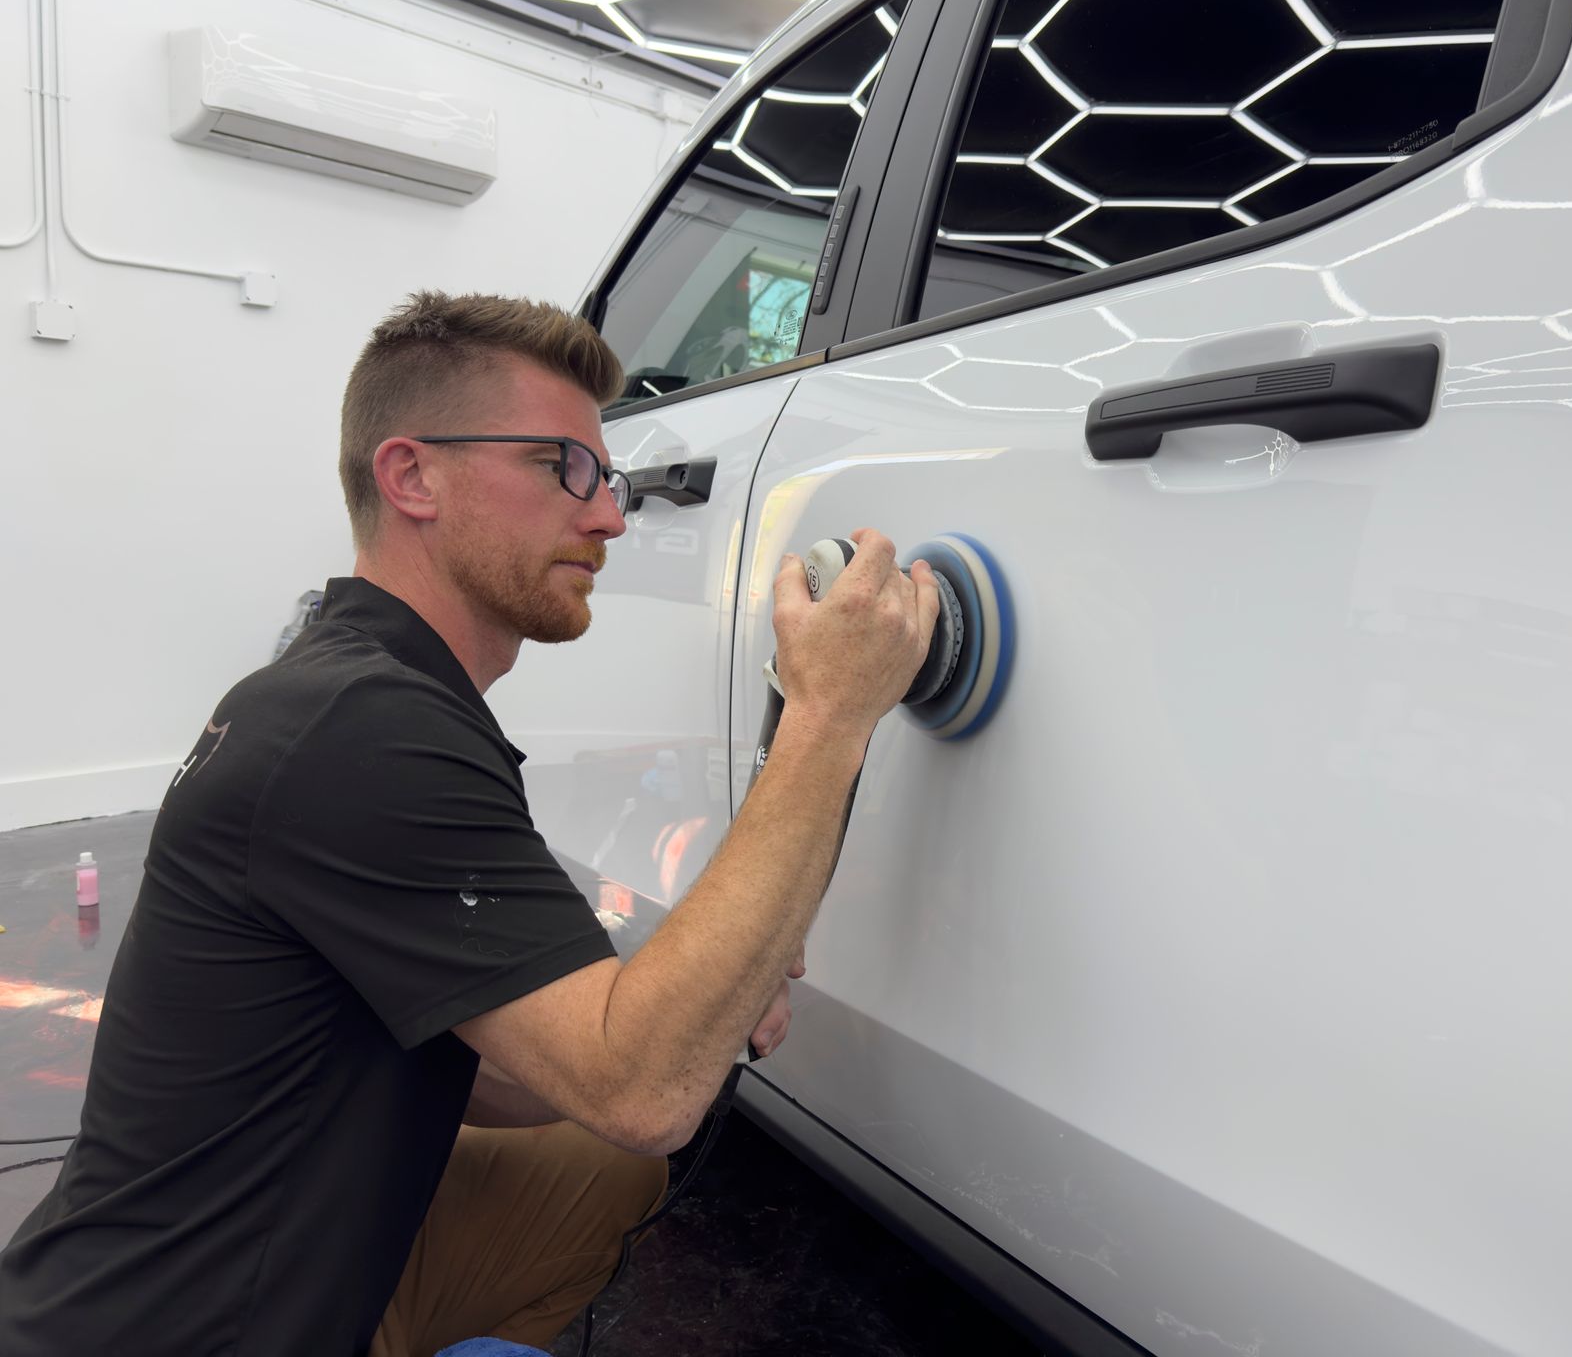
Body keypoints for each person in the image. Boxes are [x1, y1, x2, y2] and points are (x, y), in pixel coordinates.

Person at [0, 292, 938, 1356]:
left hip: (270, 1277)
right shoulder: (364, 727)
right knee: (632, 1122)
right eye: (561, 468)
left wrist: (703, 1004)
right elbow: (641, 1088)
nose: (611, 517)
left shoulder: (359, 688)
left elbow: (496, 1068)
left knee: (601, 1168)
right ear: (411, 476)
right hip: (179, 1332)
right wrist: (830, 709)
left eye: (609, 478)